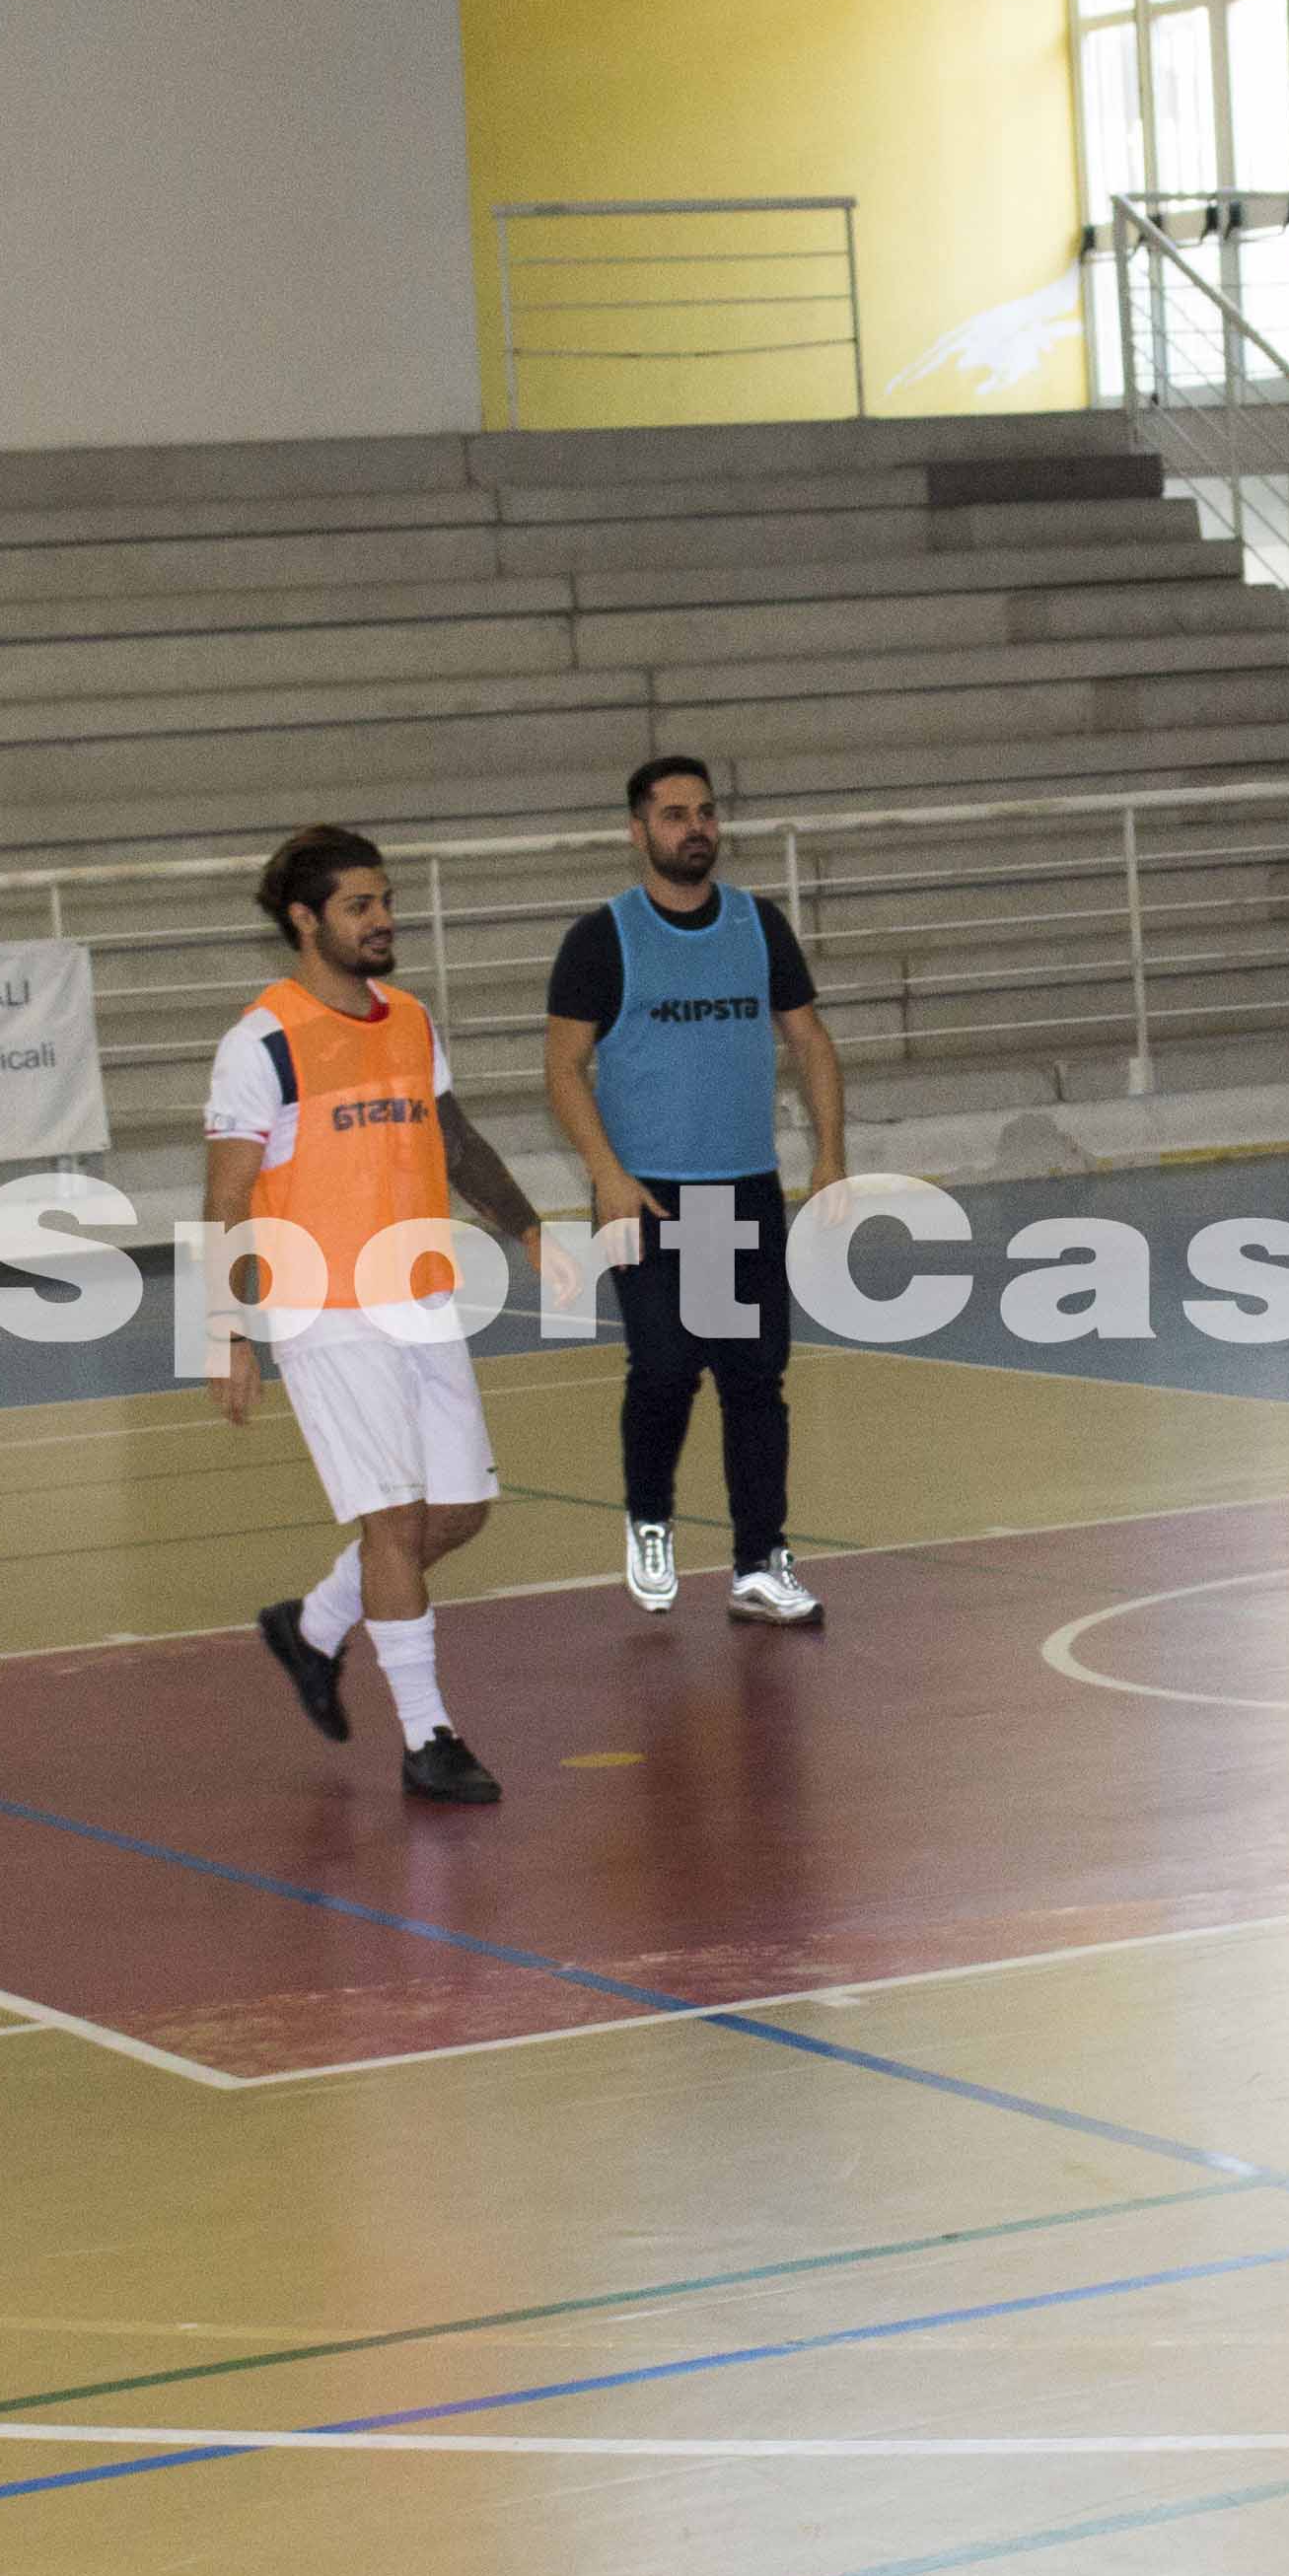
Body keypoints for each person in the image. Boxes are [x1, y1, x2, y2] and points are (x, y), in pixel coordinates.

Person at [213, 825, 548, 1804]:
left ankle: (314, 1626)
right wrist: (227, 1332)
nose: (383, 920)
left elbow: (454, 1135)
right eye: (361, 906)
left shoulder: (408, 1017)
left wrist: (530, 1229)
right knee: (395, 1523)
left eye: (386, 901)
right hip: (325, 1308)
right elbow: (228, 1201)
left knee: (460, 1512)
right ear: (305, 920)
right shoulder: (261, 1043)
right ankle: (427, 1738)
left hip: (422, 1294)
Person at [544, 755, 845, 1627]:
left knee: (753, 1379)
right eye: (674, 815)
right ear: (638, 832)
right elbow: (564, 1069)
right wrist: (607, 1172)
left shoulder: (758, 925)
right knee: (667, 1370)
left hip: (740, 1192)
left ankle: (760, 1561)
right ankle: (650, 1521)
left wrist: (830, 1157)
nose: (695, 828)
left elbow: (812, 1043)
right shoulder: (604, 938)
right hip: (650, 1197)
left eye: (706, 811)